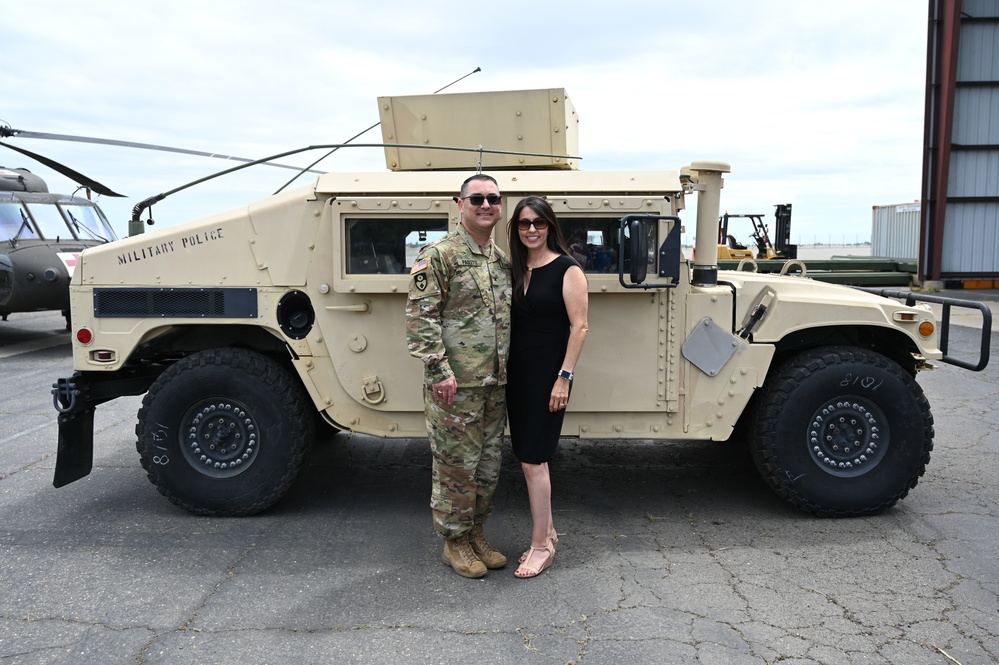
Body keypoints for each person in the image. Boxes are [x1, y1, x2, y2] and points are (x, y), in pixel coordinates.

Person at [405, 174, 512, 579]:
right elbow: (421, 317)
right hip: (456, 385)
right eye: (478, 198)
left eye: (494, 198)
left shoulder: (498, 259)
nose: (486, 204)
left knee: (488, 465)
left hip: (493, 384)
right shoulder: (439, 255)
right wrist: (438, 371)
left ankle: (476, 533)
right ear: (460, 203)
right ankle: (454, 542)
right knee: (456, 466)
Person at [505, 196, 588, 579]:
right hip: (519, 376)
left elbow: (580, 327)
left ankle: (541, 547)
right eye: (524, 223)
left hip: (548, 378)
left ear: (550, 226)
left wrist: (564, 376)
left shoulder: (567, 269)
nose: (532, 230)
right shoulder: (521, 268)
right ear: (517, 229)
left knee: (533, 460)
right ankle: (548, 533)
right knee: (526, 456)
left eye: (538, 222)